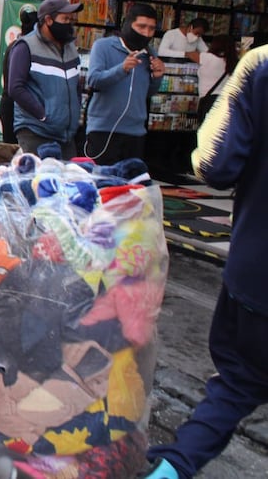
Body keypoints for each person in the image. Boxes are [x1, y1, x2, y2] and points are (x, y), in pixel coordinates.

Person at [142, 45, 268, 479]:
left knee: (235, 385)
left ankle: (170, 471)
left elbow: (211, 164)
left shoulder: (261, 66)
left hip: (257, 275)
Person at [84, 2, 165, 165]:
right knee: (102, 182)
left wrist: (157, 76)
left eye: (151, 29)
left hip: (135, 132)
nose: (146, 33)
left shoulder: (149, 54)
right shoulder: (103, 47)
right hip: (104, 129)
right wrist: (121, 69)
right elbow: (93, 80)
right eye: (141, 27)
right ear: (128, 24)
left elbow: (146, 92)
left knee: (130, 185)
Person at [6, 0, 81, 157]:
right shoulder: (26, 46)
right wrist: (43, 115)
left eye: (70, 19)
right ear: (48, 20)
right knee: (38, 180)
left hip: (66, 135)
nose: (69, 24)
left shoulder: (70, 48)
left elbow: (75, 86)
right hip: (36, 133)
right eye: (65, 19)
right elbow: (15, 88)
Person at [0, 5, 39, 144]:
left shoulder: (14, 46)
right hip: (16, 108)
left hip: (9, 105)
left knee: (9, 150)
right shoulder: (24, 48)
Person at [187, 34, 238, 122]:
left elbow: (190, 53)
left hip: (209, 101)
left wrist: (197, 40)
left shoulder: (208, 58)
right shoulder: (233, 62)